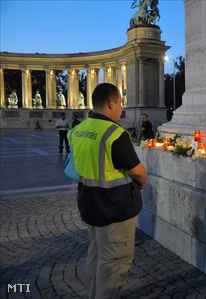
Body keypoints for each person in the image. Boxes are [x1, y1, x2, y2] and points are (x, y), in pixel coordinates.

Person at [68, 83, 147, 298]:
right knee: (114, 264)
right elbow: (139, 173)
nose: (122, 108)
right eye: (121, 103)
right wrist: (141, 183)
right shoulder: (114, 133)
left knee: (96, 256)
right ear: (111, 103)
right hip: (114, 208)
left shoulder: (77, 131)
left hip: (89, 204)